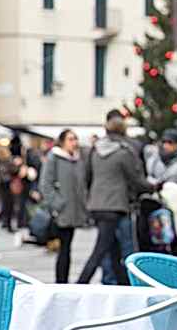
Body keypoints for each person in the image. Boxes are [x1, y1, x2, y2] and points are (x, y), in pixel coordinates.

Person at [80, 110, 154, 284]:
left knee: (110, 249)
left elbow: (87, 176)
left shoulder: (95, 150)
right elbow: (136, 179)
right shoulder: (124, 152)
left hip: (97, 204)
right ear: (123, 131)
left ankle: (115, 281)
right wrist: (153, 187)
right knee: (112, 249)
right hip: (117, 205)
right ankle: (81, 282)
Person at [39, 129, 90, 283]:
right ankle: (61, 281)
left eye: (75, 138)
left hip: (74, 210)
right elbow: (45, 184)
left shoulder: (77, 159)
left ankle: (63, 280)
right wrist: (57, 204)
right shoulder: (54, 157)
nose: (74, 142)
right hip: (61, 211)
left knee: (67, 247)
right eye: (70, 139)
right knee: (63, 248)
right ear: (62, 141)